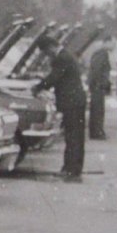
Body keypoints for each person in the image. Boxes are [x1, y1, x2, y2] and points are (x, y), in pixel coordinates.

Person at [31, 35, 86, 182]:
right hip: (76, 101)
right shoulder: (66, 55)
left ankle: (71, 170)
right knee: (76, 137)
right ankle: (72, 169)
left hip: (71, 102)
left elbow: (54, 78)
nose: (47, 55)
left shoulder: (61, 58)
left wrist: (38, 87)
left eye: (46, 52)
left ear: (50, 47)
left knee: (72, 137)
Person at [86, 35, 113, 140]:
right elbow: (97, 69)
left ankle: (96, 131)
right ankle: (97, 132)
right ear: (107, 42)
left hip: (96, 85)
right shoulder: (102, 54)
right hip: (98, 85)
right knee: (98, 110)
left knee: (96, 109)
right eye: (113, 43)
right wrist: (98, 83)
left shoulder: (100, 53)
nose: (114, 46)